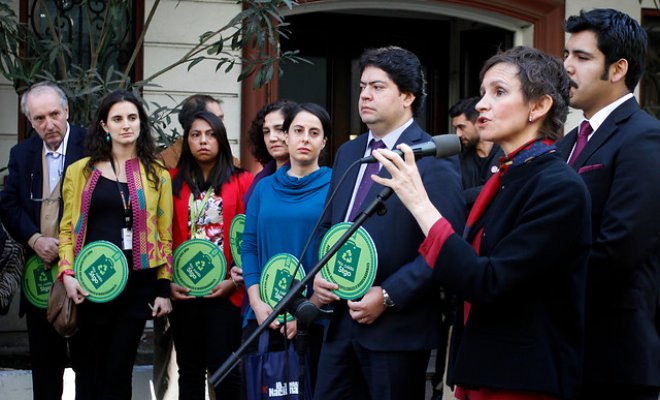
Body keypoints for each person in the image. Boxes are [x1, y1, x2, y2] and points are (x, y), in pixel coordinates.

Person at [370, 46, 591, 400]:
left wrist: (419, 202)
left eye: (499, 92)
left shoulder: (559, 187)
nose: (481, 105)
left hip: (522, 379)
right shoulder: (509, 176)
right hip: (483, 367)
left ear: (539, 106)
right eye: (483, 92)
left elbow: (487, 281)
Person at [312, 46, 466, 400]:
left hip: (395, 329)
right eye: (363, 86)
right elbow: (329, 225)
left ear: (407, 96)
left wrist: (389, 295)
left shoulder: (431, 156)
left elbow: (445, 246)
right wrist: (318, 275)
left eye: (378, 87)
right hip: (338, 322)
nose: (364, 95)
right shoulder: (349, 153)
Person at [559, 9, 660, 400]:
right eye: (567, 54)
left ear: (617, 69)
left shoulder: (644, 138)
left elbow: (621, 247)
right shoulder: (567, 144)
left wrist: (535, 284)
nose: (567, 66)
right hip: (566, 349)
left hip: (616, 359)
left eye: (582, 58)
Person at [58, 89, 173, 399]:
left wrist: (163, 289)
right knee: (87, 373)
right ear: (104, 126)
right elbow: (66, 230)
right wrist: (67, 274)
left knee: (118, 374)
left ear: (141, 124)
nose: (126, 125)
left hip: (137, 287)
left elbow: (164, 235)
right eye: (118, 118)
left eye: (132, 118)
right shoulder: (80, 172)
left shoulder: (157, 176)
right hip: (89, 283)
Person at [0, 81, 86, 400]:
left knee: (89, 367)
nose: (48, 124)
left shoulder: (91, 145)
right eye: (39, 118)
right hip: (41, 276)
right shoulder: (22, 154)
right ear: (30, 121)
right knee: (45, 368)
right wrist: (34, 239)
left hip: (83, 273)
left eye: (54, 114)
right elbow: (7, 203)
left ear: (67, 111)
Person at [241, 102, 333, 391]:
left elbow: (337, 253)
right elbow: (250, 246)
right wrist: (257, 304)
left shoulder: (336, 185)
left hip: (315, 319)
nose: (305, 138)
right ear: (288, 137)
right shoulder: (264, 188)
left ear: (324, 142)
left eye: (314, 132)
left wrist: (307, 309)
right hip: (262, 315)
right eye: (298, 130)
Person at [169, 111, 253, 399]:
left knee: (226, 371)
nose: (203, 141)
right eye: (195, 135)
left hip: (225, 292)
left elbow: (248, 237)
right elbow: (161, 236)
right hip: (185, 291)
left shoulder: (243, 181)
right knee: (189, 371)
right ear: (186, 141)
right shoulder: (172, 182)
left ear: (221, 139)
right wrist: (167, 282)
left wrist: (234, 280)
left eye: (210, 134)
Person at [450, 96, 503, 210]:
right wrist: (495, 188)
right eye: (456, 128)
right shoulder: (458, 159)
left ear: (480, 122)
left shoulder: (507, 153)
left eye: (461, 127)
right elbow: (453, 198)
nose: (458, 134)